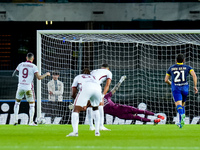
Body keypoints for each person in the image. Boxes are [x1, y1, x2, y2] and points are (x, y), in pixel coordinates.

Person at [88, 76, 165, 124]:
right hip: (120, 115)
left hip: (122, 108)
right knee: (136, 117)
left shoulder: (105, 97)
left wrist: (120, 81)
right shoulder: (95, 105)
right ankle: (153, 121)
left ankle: (156, 115)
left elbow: (114, 89)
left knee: (138, 111)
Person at [12, 52, 50, 126]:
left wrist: (21, 78)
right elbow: (39, 78)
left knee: (17, 103)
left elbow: (14, 74)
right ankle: (31, 122)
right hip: (28, 87)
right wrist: (46, 74)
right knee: (31, 105)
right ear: (33, 59)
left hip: (20, 86)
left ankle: (15, 121)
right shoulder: (33, 66)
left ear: (26, 58)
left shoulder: (20, 64)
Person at [165, 54, 198, 128]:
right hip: (185, 88)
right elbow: (194, 75)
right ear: (183, 60)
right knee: (182, 105)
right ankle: (181, 123)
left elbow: (166, 80)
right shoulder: (188, 67)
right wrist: (195, 86)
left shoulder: (171, 68)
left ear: (176, 60)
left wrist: (171, 84)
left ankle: (182, 115)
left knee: (178, 105)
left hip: (176, 88)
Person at [67, 68, 102, 137]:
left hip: (86, 88)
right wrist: (85, 104)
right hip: (98, 89)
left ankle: (75, 132)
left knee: (76, 110)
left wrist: (76, 103)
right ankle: (97, 132)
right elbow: (91, 93)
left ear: (82, 73)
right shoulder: (93, 77)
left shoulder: (78, 76)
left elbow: (73, 92)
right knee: (95, 108)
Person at [87, 64, 112, 131]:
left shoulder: (94, 71)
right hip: (95, 85)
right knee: (100, 104)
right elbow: (107, 85)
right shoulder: (108, 72)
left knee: (89, 105)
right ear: (108, 69)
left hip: (86, 85)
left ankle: (91, 126)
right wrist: (103, 95)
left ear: (101, 68)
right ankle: (101, 126)